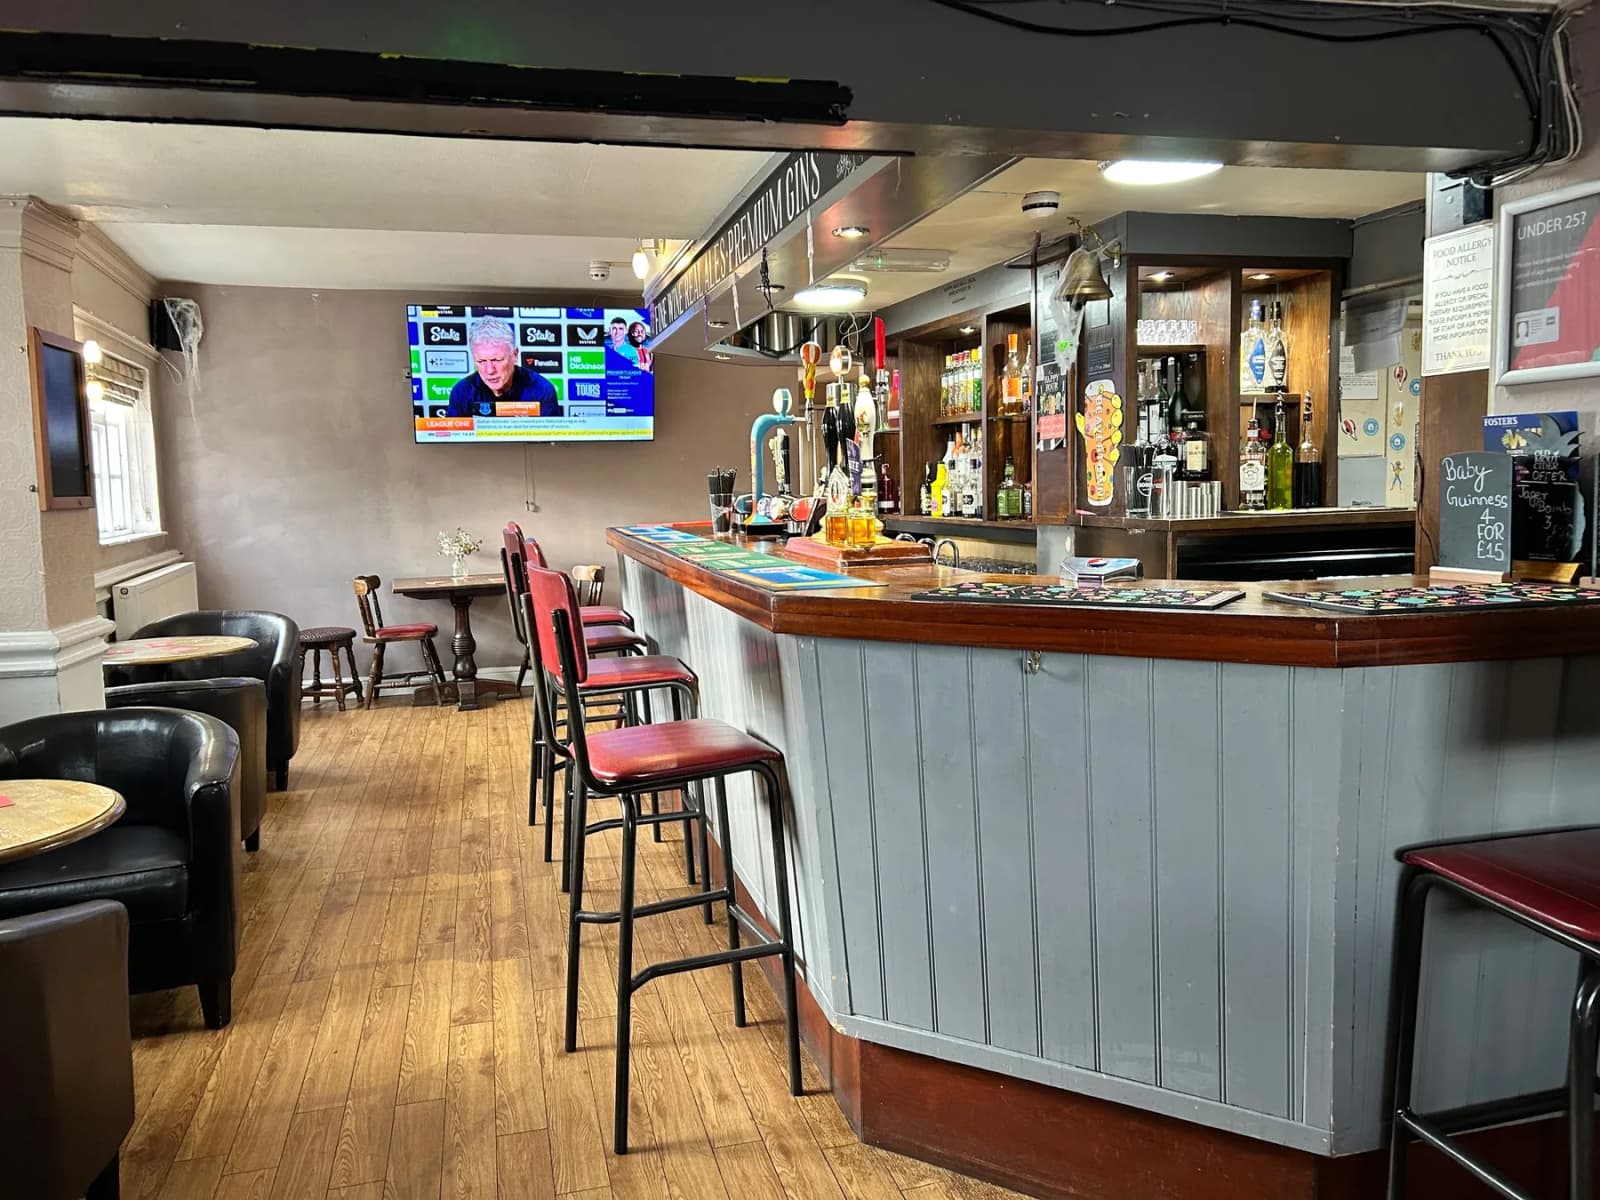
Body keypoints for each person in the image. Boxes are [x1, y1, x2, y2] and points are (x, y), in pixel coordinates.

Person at [446, 317, 560, 418]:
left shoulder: (542, 390)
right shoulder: (462, 391)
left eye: (497, 360)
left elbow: (550, 441)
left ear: (514, 355)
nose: (490, 370)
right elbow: (452, 440)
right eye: (481, 361)